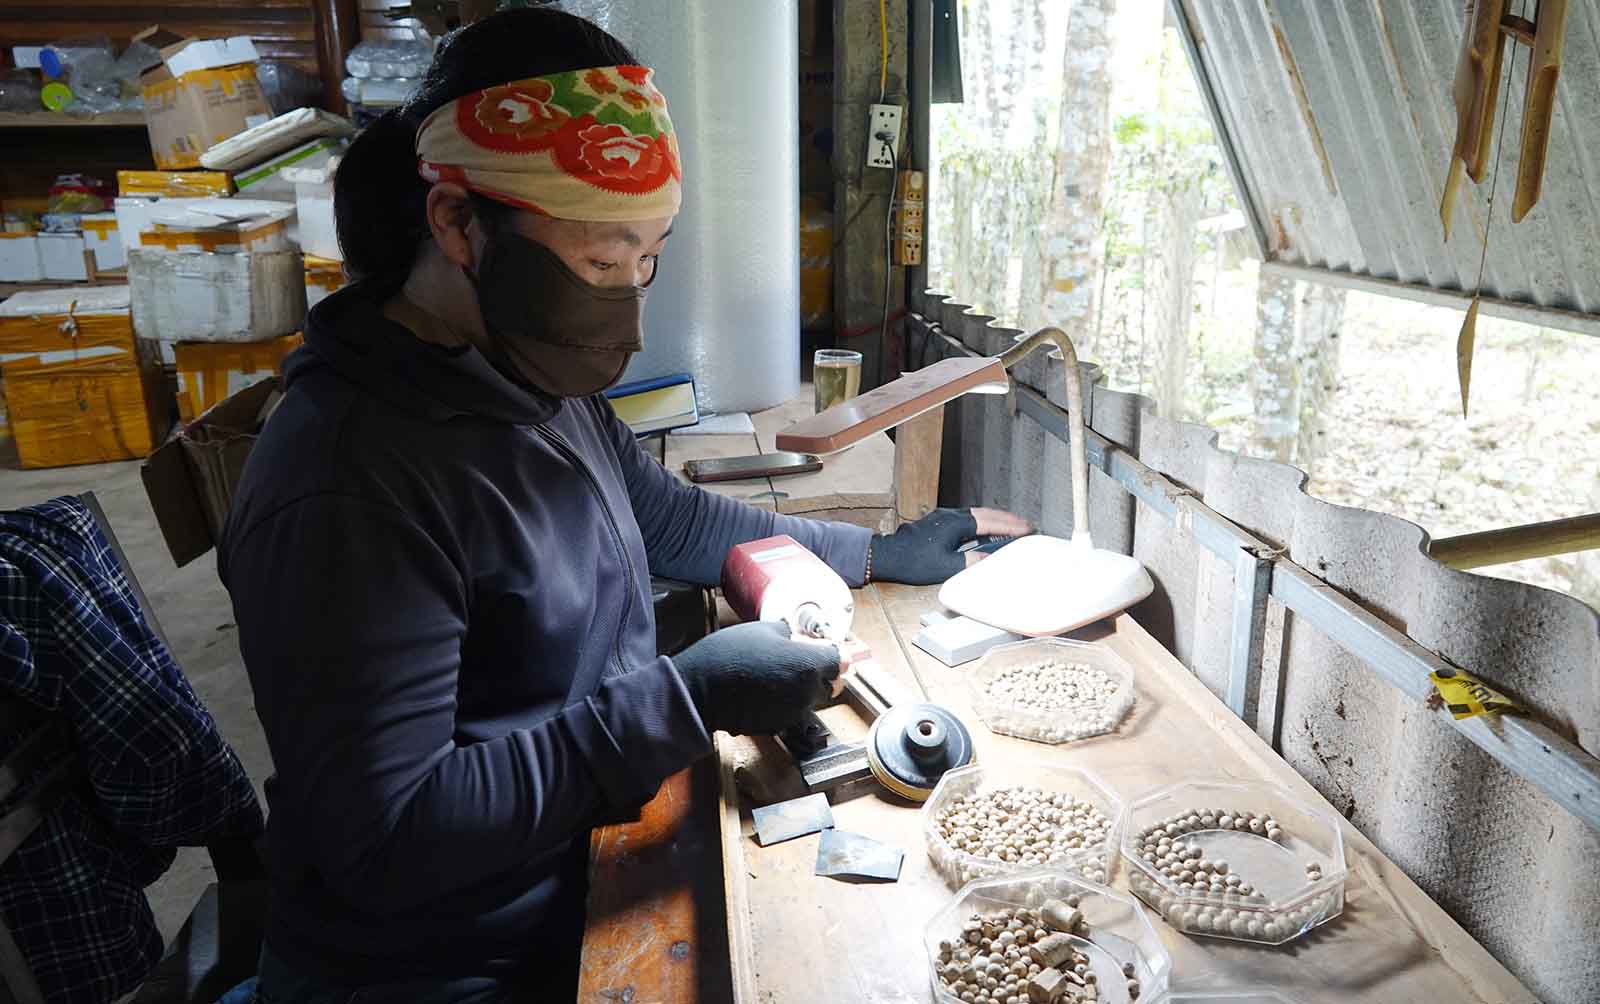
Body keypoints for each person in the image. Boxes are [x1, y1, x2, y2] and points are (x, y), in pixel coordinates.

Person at [220, 9, 1028, 1003]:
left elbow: (665, 519)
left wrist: (877, 552)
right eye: (601, 262)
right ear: (459, 225)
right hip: (451, 965)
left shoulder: (520, 369)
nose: (630, 307)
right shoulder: (350, 486)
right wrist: (682, 700)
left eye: (648, 257)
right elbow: (391, 837)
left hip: (585, 861)